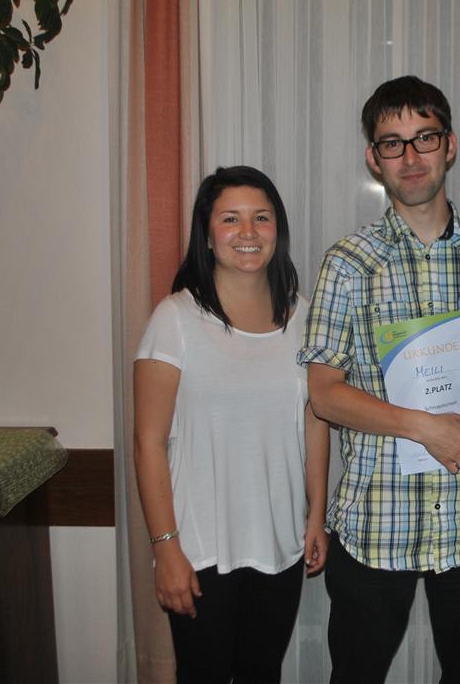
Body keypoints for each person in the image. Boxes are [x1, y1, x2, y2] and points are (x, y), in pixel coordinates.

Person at [298, 76, 460, 684]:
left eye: (425, 138)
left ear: (450, 145)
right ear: (374, 158)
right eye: (393, 143)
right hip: (376, 521)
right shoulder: (348, 263)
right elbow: (324, 394)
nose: (411, 157)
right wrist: (423, 427)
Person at [134, 166, 330, 684]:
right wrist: (165, 547)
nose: (248, 232)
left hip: (279, 544)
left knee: (262, 673)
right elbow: (148, 443)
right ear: (206, 235)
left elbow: (314, 420)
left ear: (277, 229)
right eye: (230, 219)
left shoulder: (303, 318)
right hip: (199, 548)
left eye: (261, 218)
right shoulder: (175, 319)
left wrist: (316, 515)